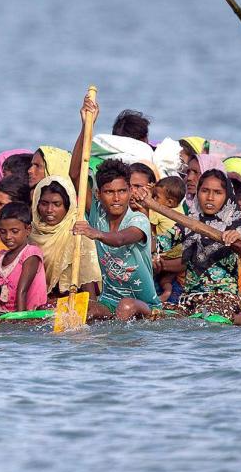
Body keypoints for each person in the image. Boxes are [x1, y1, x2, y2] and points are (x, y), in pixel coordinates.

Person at [70, 95, 160, 321]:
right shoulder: (97, 211)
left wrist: (95, 233)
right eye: (110, 192)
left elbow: (120, 239)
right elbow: (75, 175)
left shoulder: (138, 220)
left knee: (127, 307)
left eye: (122, 191)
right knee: (85, 314)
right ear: (99, 195)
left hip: (145, 304)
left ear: (130, 191)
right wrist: (86, 126)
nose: (117, 198)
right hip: (109, 300)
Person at [167, 167, 241, 327]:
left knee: (208, 319)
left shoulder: (238, 228)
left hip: (223, 300)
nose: (210, 198)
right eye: (205, 191)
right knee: (158, 315)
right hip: (188, 301)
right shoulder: (188, 223)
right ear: (198, 192)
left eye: (217, 193)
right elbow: (159, 243)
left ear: (226, 197)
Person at [29, 174, 101, 301]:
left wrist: (90, 305)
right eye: (44, 203)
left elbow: (87, 277)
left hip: (71, 299)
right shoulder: (30, 232)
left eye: (57, 204)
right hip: (41, 301)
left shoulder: (77, 232)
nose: (49, 210)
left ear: (67, 206)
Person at [0, 202, 47, 312]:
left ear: (28, 230)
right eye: (3, 232)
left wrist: (21, 322)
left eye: (14, 231)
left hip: (28, 312)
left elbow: (22, 291)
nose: (8, 237)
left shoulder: (31, 253)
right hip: (6, 313)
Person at [150, 176, 186, 302]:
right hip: (179, 253)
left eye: (156, 197)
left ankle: (163, 292)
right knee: (167, 279)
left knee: (160, 277)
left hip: (165, 252)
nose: (154, 199)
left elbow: (148, 224)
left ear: (169, 202)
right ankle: (168, 291)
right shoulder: (181, 210)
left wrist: (148, 200)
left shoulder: (158, 212)